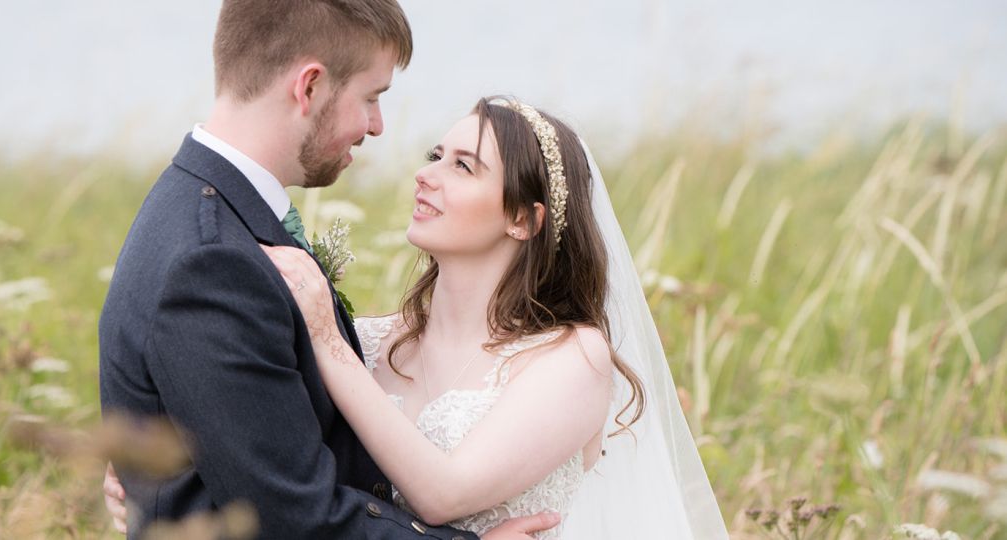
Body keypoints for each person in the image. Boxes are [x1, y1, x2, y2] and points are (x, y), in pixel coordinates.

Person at [107, 96, 731, 538]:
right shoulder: (377, 343)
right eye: (436, 154)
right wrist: (156, 487)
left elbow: (444, 494)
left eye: (463, 167)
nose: (425, 177)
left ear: (523, 219)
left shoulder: (572, 358)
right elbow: (279, 473)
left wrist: (324, 336)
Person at [98, 1, 555, 538]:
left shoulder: (212, 213)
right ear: (309, 86)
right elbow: (296, 518)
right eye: (371, 97)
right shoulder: (213, 261)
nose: (378, 126)